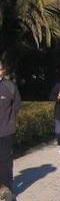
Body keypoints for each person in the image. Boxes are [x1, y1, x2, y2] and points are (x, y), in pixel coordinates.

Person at [0, 60, 21, 191]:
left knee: (5, 160)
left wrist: (10, 119)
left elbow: (17, 105)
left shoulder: (10, 86)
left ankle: (6, 187)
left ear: (2, 71)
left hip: (5, 130)